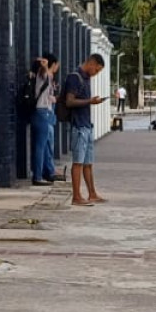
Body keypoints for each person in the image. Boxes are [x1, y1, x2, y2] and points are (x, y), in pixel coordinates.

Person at [61, 53, 108, 205]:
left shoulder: (86, 79)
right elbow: (69, 101)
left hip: (86, 125)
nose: (96, 74)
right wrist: (90, 101)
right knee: (78, 162)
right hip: (78, 126)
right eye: (97, 70)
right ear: (91, 64)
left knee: (88, 163)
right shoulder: (75, 77)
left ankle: (92, 193)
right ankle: (76, 196)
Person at [30, 53, 59, 185]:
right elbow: (44, 70)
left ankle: (41, 173)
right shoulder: (44, 75)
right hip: (42, 112)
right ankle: (37, 176)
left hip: (39, 112)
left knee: (42, 146)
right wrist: (45, 64)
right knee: (41, 146)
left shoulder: (41, 77)